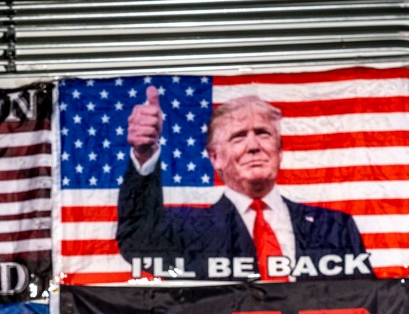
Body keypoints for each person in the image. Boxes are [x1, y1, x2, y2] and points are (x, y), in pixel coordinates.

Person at [117, 86, 372, 280]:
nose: (253, 146)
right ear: (215, 158)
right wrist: (144, 156)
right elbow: (138, 242)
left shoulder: (336, 227)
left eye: (263, 133)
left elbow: (365, 304)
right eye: (239, 137)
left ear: (279, 151)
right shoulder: (187, 230)